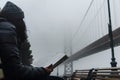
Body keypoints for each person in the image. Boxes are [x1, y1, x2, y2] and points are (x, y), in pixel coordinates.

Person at [0, 1, 64, 80]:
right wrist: (43, 71)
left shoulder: (4, 29)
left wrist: (41, 70)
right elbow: (16, 71)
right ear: (18, 20)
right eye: (22, 20)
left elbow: (13, 68)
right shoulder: (7, 30)